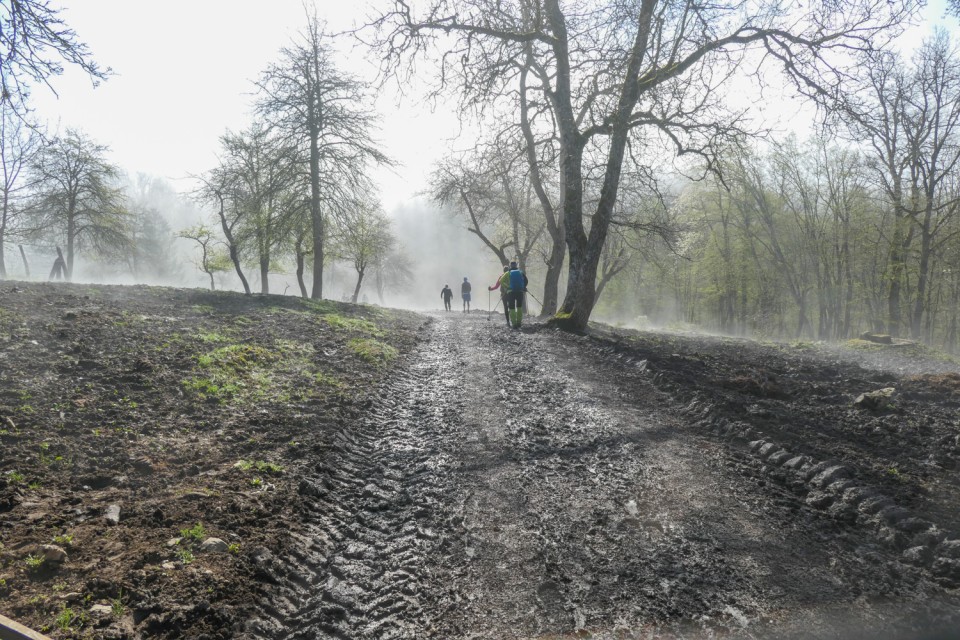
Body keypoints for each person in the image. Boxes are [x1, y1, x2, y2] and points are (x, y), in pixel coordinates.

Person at [504, 261, 528, 329]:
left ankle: (514, 323)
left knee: (512, 307)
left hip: (511, 292)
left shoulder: (508, 272)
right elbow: (526, 280)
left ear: (510, 266)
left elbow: (502, 280)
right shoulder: (520, 272)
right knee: (519, 307)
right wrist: (523, 287)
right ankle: (519, 322)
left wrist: (507, 287)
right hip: (520, 292)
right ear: (516, 265)